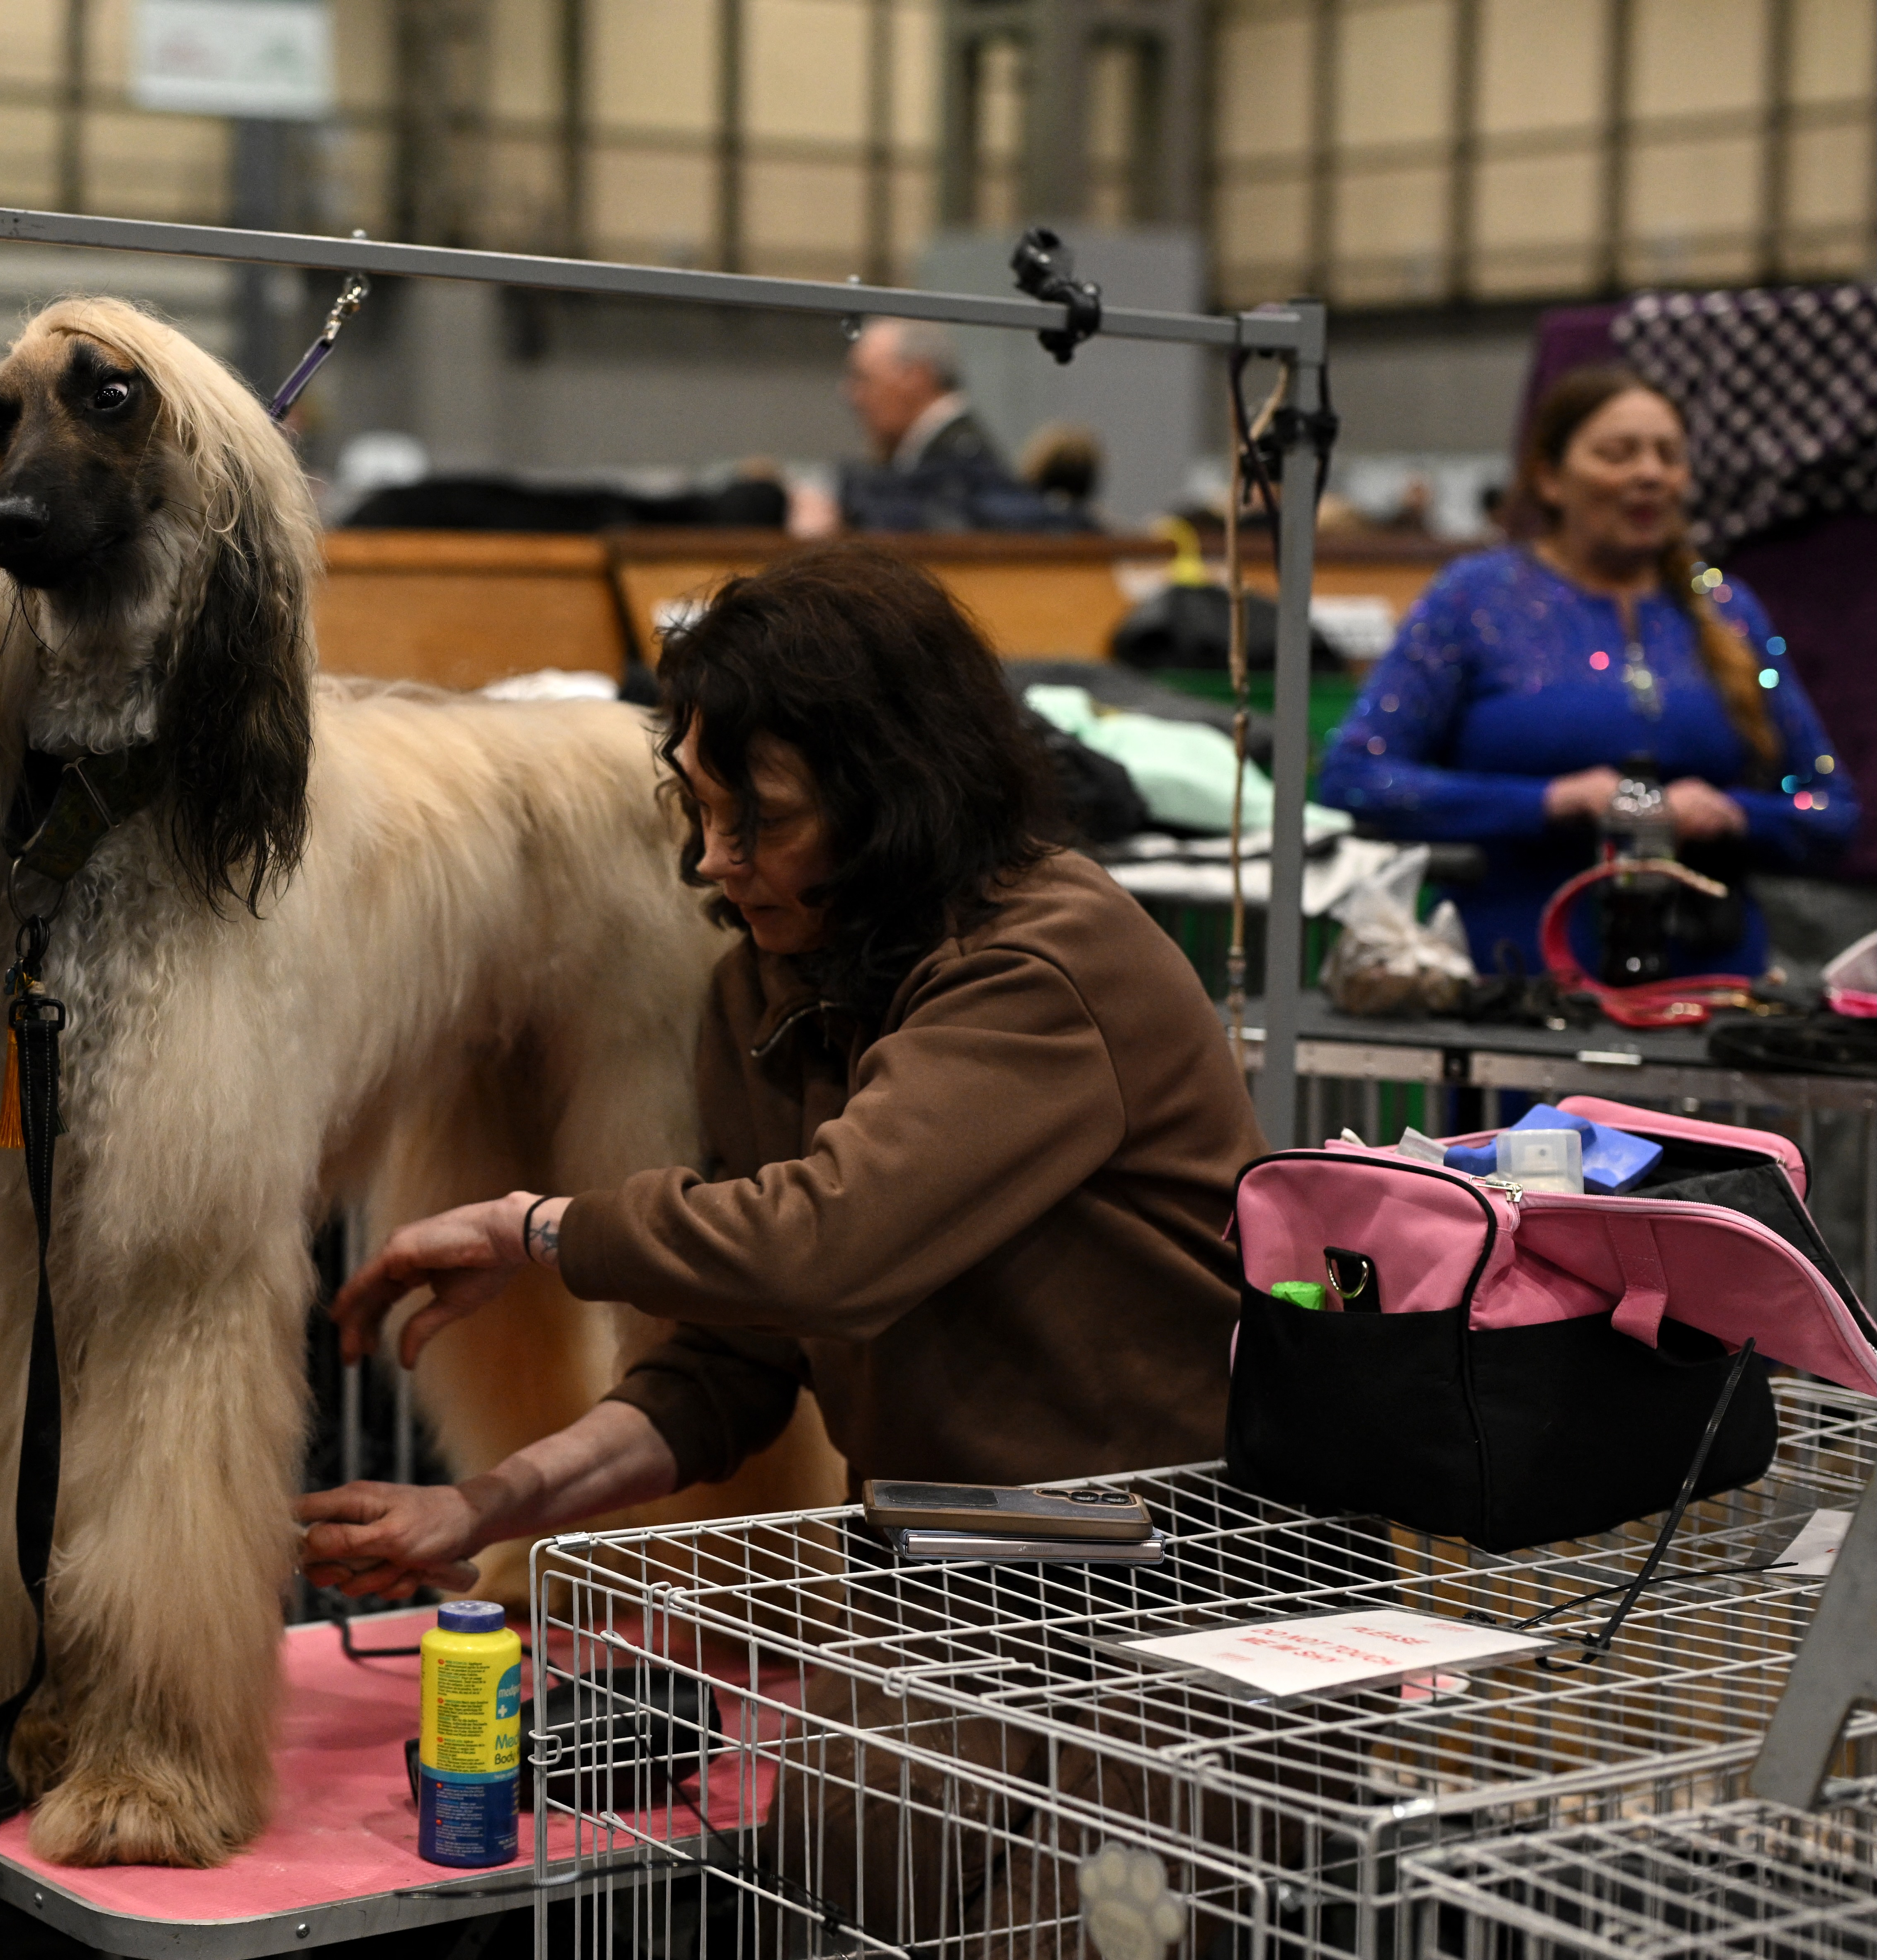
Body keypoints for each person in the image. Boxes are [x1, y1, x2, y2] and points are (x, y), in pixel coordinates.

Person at [294, 538, 1262, 1605]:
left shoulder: (1049, 966)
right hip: (943, 1579)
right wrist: (478, 1508)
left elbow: (826, 1247)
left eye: (761, 820)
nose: (713, 857)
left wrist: (535, 1231)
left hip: (1160, 1585)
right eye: (702, 809)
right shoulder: (768, 987)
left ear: (892, 799)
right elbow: (727, 1363)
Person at [1320, 364, 1856, 976]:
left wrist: (1733, 814)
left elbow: (1829, 811)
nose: (1649, 474)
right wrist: (1551, 801)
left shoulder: (1725, 607)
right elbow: (1356, 777)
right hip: (1511, 987)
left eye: (1667, 455)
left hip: (1708, 996)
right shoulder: (1472, 599)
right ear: (1549, 478)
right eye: (1617, 453)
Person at [827, 318, 1033, 535]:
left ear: (915, 376)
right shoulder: (942, 454)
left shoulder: (957, 465)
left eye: (863, 378)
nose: (849, 395)